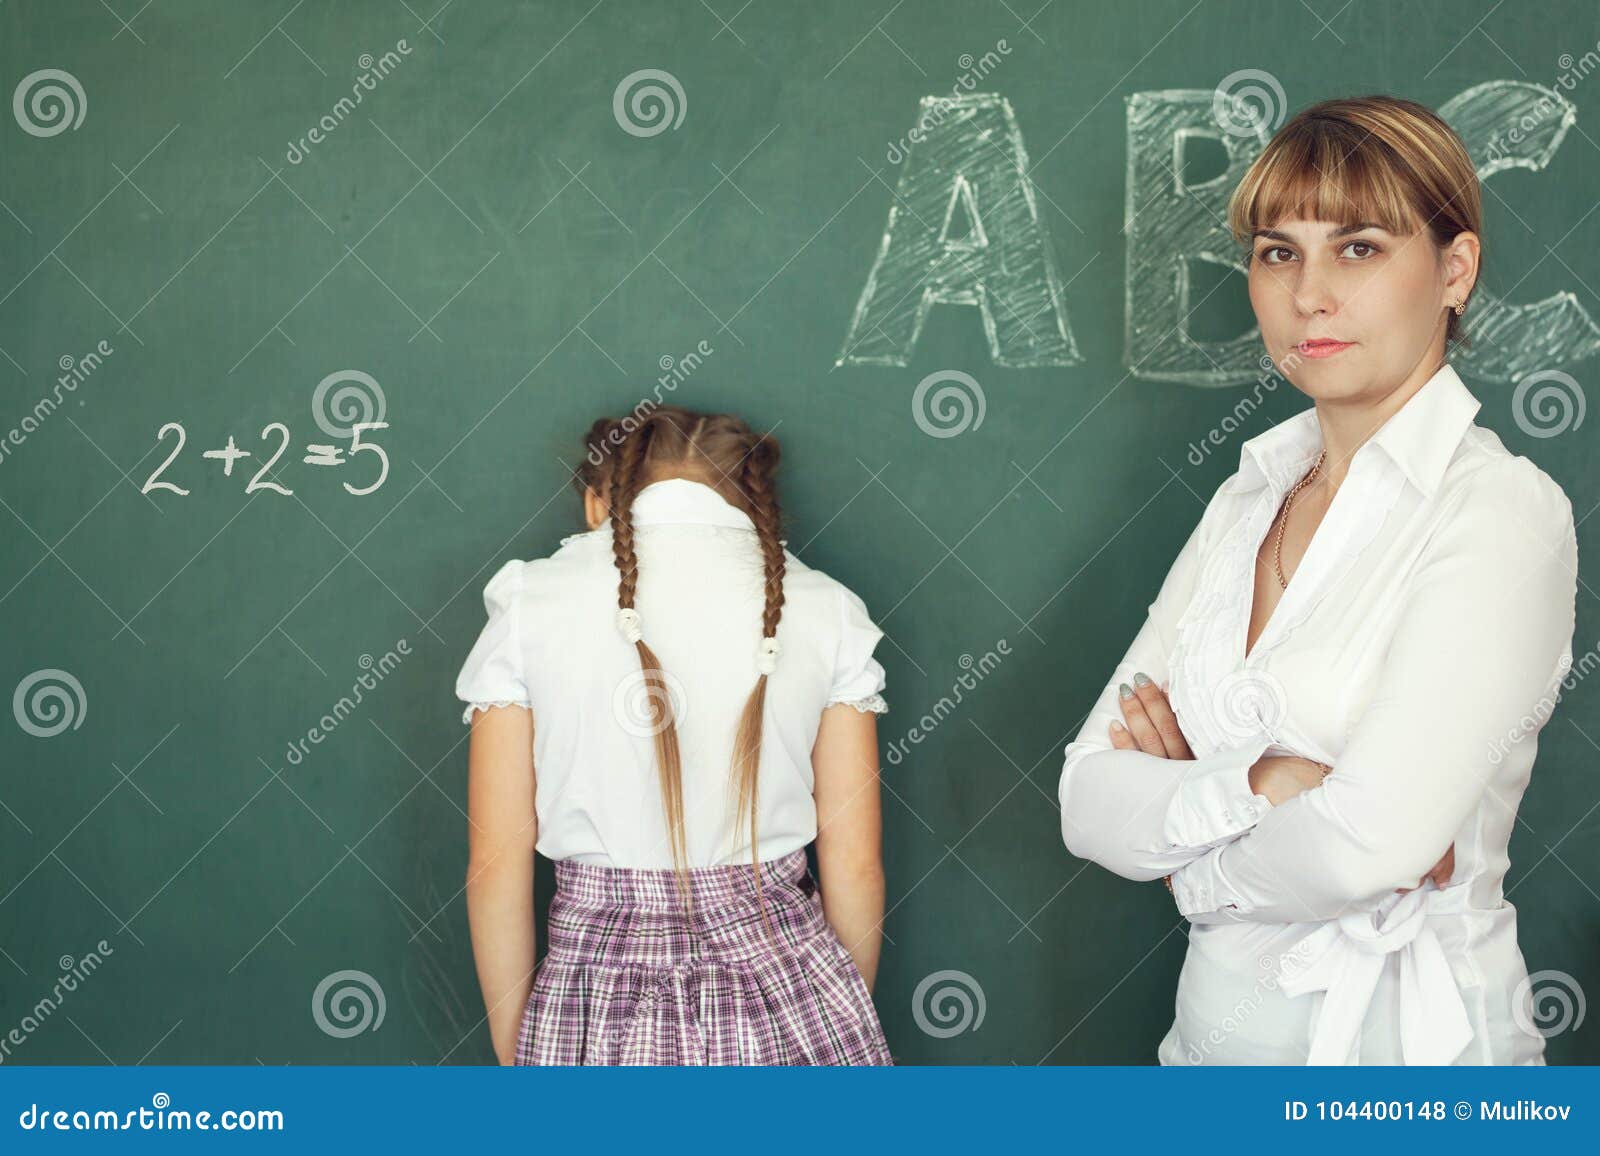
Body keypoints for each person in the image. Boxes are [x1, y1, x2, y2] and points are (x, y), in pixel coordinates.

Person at [1057, 95, 1578, 1064]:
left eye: (1361, 247)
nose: (1309, 295)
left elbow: (1365, 844)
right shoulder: (1244, 502)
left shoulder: (1499, 510)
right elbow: (1086, 797)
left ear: (1453, 271)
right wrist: (1265, 782)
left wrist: (1191, 865)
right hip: (1204, 1062)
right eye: (1277, 252)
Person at [457, 404, 895, 1065]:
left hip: (591, 1001)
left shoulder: (529, 603)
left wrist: (515, 1043)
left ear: (596, 503)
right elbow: (856, 865)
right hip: (790, 984)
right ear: (755, 503)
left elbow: (495, 867)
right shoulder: (829, 608)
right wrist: (838, 1009)